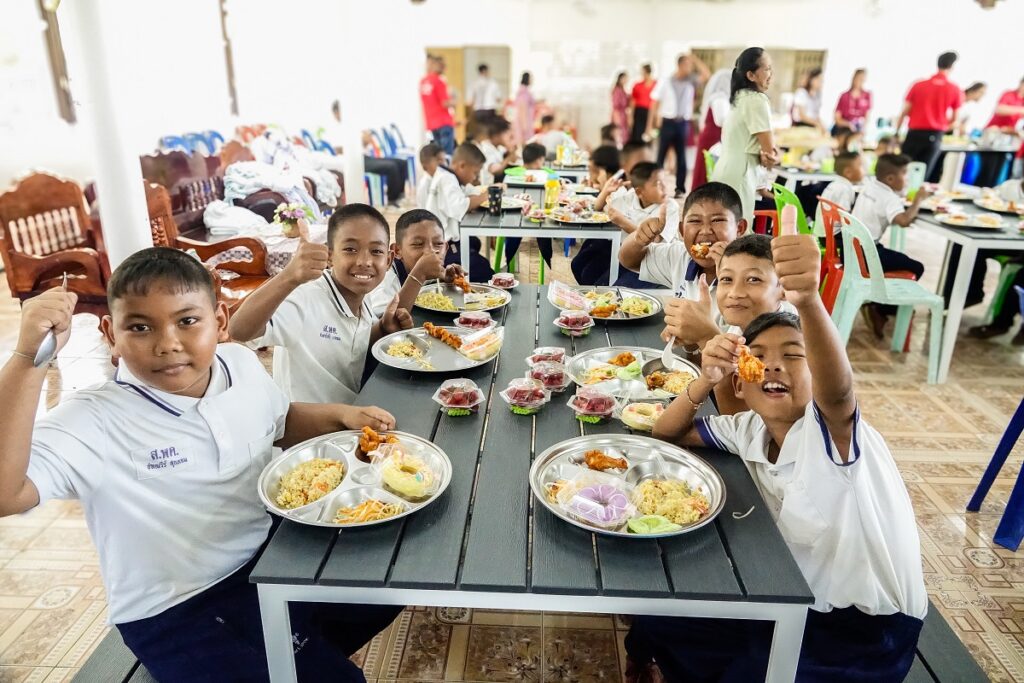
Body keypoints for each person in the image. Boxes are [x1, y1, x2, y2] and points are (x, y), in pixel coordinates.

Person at [0, 247, 403, 681]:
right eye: (139, 327)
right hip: (178, 607)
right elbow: (7, 494)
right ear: (110, 333)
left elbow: (280, 422)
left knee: (391, 582)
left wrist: (342, 416)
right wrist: (28, 358)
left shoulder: (240, 364)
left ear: (220, 321)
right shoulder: (95, 417)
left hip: (265, 559)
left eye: (187, 321)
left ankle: (294, 654)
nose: (167, 343)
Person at [627, 230, 926, 682]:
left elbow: (839, 392)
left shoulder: (832, 437)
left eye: (793, 356)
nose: (773, 367)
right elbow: (670, 431)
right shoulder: (753, 427)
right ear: (741, 380)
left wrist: (808, 301)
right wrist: (706, 380)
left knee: (743, 673)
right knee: (657, 612)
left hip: (863, 630)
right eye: (759, 358)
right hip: (793, 596)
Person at [228, 204, 414, 403]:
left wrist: (382, 329)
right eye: (350, 249)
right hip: (309, 429)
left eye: (376, 251)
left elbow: (352, 345)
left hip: (352, 415)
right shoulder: (305, 298)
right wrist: (289, 277)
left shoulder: (361, 294)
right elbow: (239, 330)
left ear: (388, 259)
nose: (364, 261)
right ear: (330, 256)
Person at [618, 182, 749, 347]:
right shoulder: (680, 257)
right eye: (695, 221)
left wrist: (729, 273)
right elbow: (627, 260)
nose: (705, 230)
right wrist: (639, 238)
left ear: (739, 228)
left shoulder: (750, 276)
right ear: (681, 230)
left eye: (717, 220)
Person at [851, 153, 930, 336]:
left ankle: (879, 305)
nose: (908, 179)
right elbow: (903, 221)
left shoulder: (870, 185)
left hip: (851, 249)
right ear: (891, 178)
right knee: (916, 267)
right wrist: (919, 199)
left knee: (894, 257)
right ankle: (881, 308)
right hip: (867, 254)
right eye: (905, 174)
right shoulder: (889, 198)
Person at [711, 47, 778, 225]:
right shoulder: (757, 100)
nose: (771, 74)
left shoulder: (740, 97)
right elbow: (769, 151)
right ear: (751, 75)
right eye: (767, 69)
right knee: (738, 232)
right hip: (741, 173)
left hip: (725, 169)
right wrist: (771, 157)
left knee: (723, 230)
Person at [367, 209, 465, 316]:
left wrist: (445, 281)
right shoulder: (385, 281)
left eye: (438, 243)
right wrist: (419, 274)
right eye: (418, 244)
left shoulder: (425, 269)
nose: (430, 251)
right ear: (397, 251)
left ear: (446, 248)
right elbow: (382, 324)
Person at [422, 142, 494, 282]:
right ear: (462, 166)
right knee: (484, 269)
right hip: (441, 250)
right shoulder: (447, 179)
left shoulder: (448, 176)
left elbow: (466, 193)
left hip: (445, 243)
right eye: (475, 172)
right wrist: (486, 195)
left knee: (474, 242)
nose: (475, 177)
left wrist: (479, 194)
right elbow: (460, 207)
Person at [648, 53, 711, 196]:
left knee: (681, 157)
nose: (690, 68)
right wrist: (651, 125)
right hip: (667, 122)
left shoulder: (691, 81)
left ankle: (680, 188)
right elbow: (655, 103)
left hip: (683, 123)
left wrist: (695, 59)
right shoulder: (666, 81)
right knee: (660, 156)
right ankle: (655, 187)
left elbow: (706, 75)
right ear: (680, 65)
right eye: (688, 65)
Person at [897, 51, 963, 179]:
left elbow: (904, 112)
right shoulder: (954, 89)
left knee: (901, 172)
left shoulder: (918, 84)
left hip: (913, 134)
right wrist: (942, 126)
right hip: (934, 136)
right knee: (921, 177)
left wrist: (897, 132)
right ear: (952, 66)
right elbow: (955, 121)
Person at [502, 143, 554, 271]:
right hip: (540, 216)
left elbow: (506, 176)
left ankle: (509, 260)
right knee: (544, 226)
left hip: (512, 218)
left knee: (512, 226)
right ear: (539, 160)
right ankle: (547, 259)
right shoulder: (546, 173)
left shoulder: (512, 172)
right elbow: (556, 179)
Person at [692, 68, 732, 190]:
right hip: (713, 137)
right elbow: (721, 120)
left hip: (712, 135)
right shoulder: (719, 98)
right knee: (706, 169)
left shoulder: (720, 98)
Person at [420, 55, 456, 155]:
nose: (444, 68)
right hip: (443, 122)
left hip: (431, 123)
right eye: (442, 65)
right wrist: (454, 101)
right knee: (446, 155)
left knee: (437, 154)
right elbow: (445, 103)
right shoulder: (439, 81)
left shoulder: (423, 82)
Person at [478, 116, 517, 186]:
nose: (509, 136)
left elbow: (514, 159)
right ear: (496, 135)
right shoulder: (486, 148)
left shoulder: (499, 147)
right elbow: (494, 170)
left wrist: (511, 151)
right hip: (489, 188)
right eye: (506, 132)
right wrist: (509, 157)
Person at [834, 68, 872, 134]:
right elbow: (837, 119)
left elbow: (867, 116)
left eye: (862, 79)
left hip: (859, 131)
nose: (860, 81)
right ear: (854, 78)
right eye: (858, 78)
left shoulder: (867, 95)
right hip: (844, 130)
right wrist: (848, 124)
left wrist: (862, 128)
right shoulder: (844, 96)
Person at [629, 63, 656, 143]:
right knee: (637, 136)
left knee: (650, 135)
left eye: (643, 72)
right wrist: (630, 117)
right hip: (639, 112)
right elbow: (633, 101)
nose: (642, 74)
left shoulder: (655, 85)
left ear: (648, 72)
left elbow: (657, 101)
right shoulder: (637, 85)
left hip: (651, 112)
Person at [416, 143, 446, 209]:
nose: (443, 164)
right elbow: (424, 210)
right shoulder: (424, 186)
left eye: (443, 160)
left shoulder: (444, 178)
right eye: (438, 160)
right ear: (424, 167)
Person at [514, 72, 537, 146]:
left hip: (526, 120)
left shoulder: (525, 91)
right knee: (524, 142)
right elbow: (522, 109)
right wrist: (524, 126)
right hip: (524, 121)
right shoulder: (523, 92)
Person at [611, 71, 630, 147]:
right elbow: (616, 105)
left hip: (623, 115)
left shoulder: (623, 90)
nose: (626, 80)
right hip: (618, 115)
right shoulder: (617, 90)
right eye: (625, 78)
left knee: (623, 135)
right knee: (619, 134)